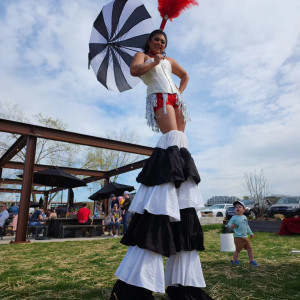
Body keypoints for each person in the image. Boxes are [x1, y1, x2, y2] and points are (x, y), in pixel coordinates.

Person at [110, 30, 212, 300]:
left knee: (182, 142)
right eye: (157, 39)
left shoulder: (169, 59)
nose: (160, 43)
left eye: (164, 41)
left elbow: (185, 74)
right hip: (158, 99)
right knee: (171, 139)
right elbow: (135, 72)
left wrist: (179, 91)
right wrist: (153, 63)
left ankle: (183, 285)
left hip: (175, 99)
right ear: (149, 42)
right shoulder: (142, 56)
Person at [228, 201, 259, 266]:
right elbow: (229, 224)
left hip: (245, 237)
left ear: (243, 210)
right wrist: (231, 225)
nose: (237, 208)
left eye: (240, 207)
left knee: (249, 249)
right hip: (238, 237)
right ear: (234, 209)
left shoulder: (245, 217)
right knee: (238, 250)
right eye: (236, 207)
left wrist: (251, 233)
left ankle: (251, 261)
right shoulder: (234, 217)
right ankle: (234, 260)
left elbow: (247, 226)